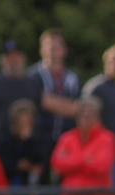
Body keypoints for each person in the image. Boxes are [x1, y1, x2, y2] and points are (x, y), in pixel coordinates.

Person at [50, 96, 115, 195]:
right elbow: (57, 165)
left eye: (90, 114)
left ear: (98, 117)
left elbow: (102, 166)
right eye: (82, 113)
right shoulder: (67, 138)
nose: (86, 117)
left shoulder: (107, 138)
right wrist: (86, 160)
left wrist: (71, 160)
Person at [29, 29, 81, 157]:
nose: (52, 51)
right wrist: (67, 106)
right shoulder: (32, 76)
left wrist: (52, 102)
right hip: (39, 141)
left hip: (68, 141)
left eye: (57, 47)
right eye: (48, 47)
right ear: (41, 50)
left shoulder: (72, 78)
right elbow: (41, 102)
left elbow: (77, 109)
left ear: (65, 50)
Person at [0, 40, 40, 149]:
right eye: (9, 57)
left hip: (27, 145)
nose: (13, 61)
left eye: (16, 56)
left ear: (23, 58)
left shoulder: (33, 83)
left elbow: (38, 115)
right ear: (2, 61)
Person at [0, 100, 47, 195]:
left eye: (28, 121)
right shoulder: (4, 141)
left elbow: (41, 160)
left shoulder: (38, 139)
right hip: (12, 190)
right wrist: (19, 166)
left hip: (34, 191)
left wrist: (28, 140)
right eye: (22, 121)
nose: (25, 124)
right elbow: (3, 164)